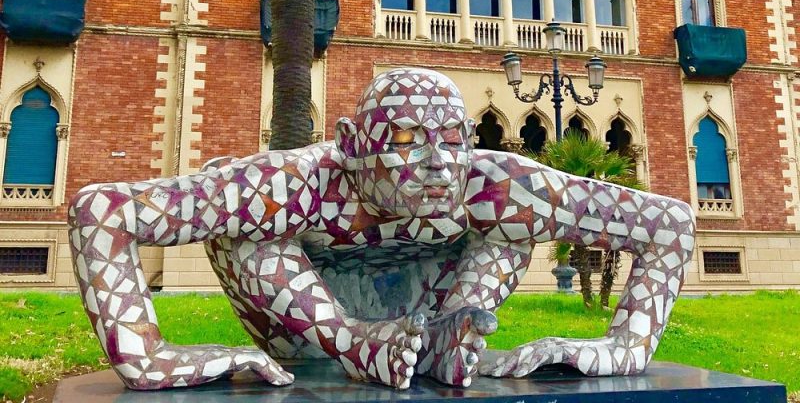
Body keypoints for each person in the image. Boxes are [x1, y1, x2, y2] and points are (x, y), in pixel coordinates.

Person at [68, 67, 695, 391]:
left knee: (512, 224)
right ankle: (358, 344)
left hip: (434, 324)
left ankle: (454, 333)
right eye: (406, 140)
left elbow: (668, 223)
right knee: (249, 231)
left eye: (451, 141)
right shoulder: (299, 181)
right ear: (349, 143)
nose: (435, 162)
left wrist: (624, 348)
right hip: (312, 341)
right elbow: (102, 211)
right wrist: (146, 358)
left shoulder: (489, 180)